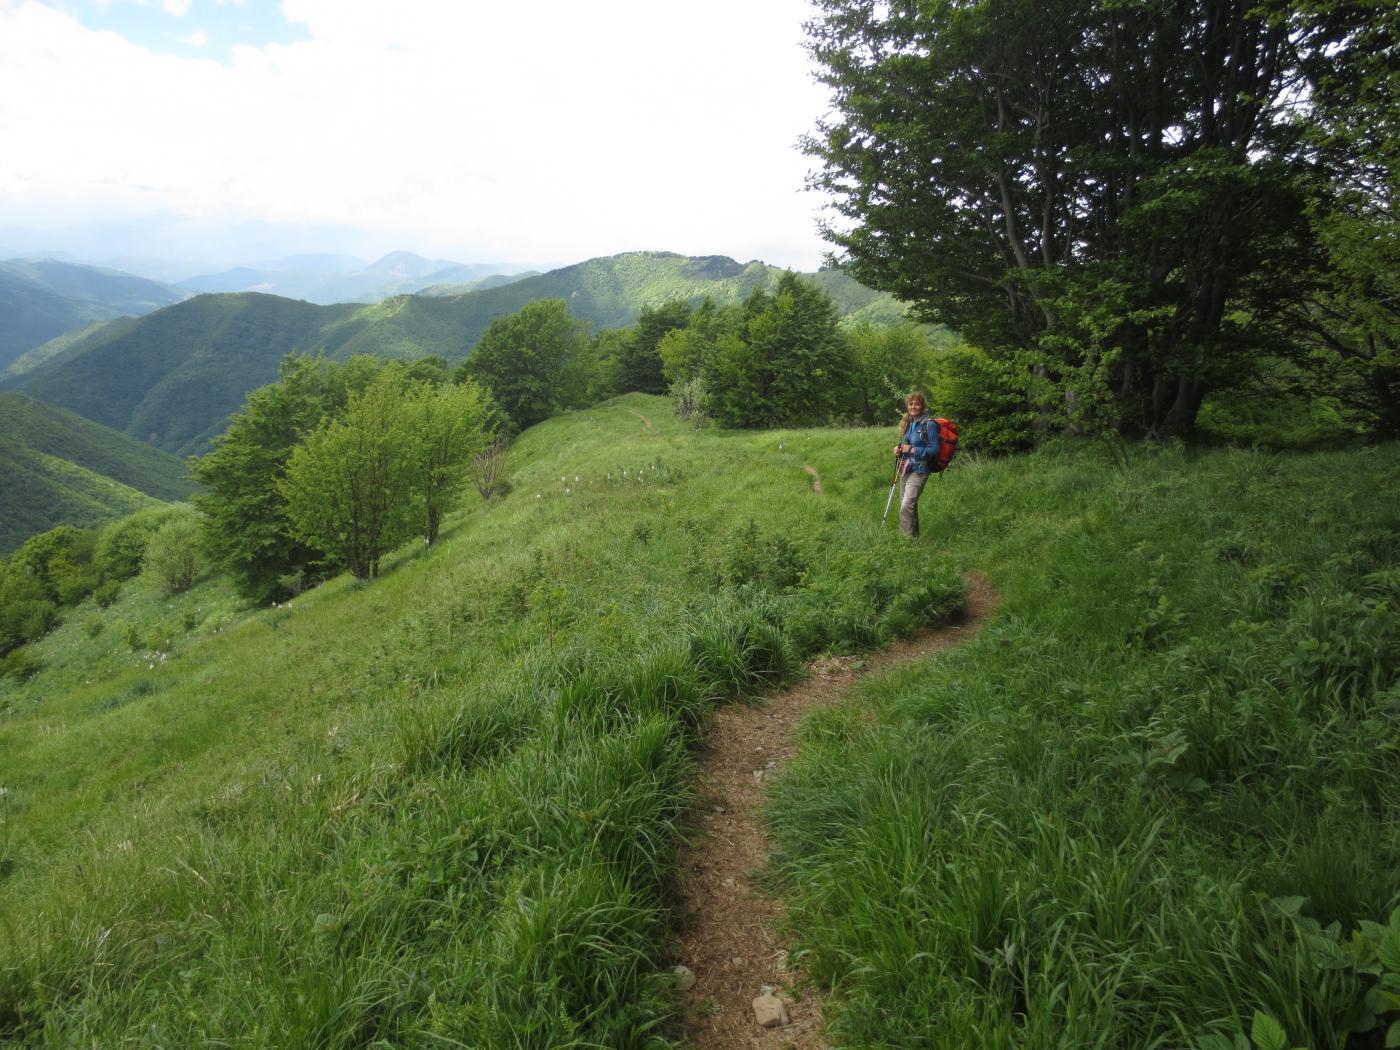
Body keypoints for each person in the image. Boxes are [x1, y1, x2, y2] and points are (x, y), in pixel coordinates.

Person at [892, 391, 939, 538]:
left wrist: (913, 449)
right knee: (908, 505)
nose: (914, 407)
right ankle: (914, 538)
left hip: (920, 469)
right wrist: (899, 449)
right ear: (907, 406)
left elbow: (935, 449)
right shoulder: (909, 422)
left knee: (906, 505)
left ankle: (906, 541)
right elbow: (906, 444)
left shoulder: (929, 424)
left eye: (917, 404)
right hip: (906, 468)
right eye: (911, 404)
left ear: (922, 406)